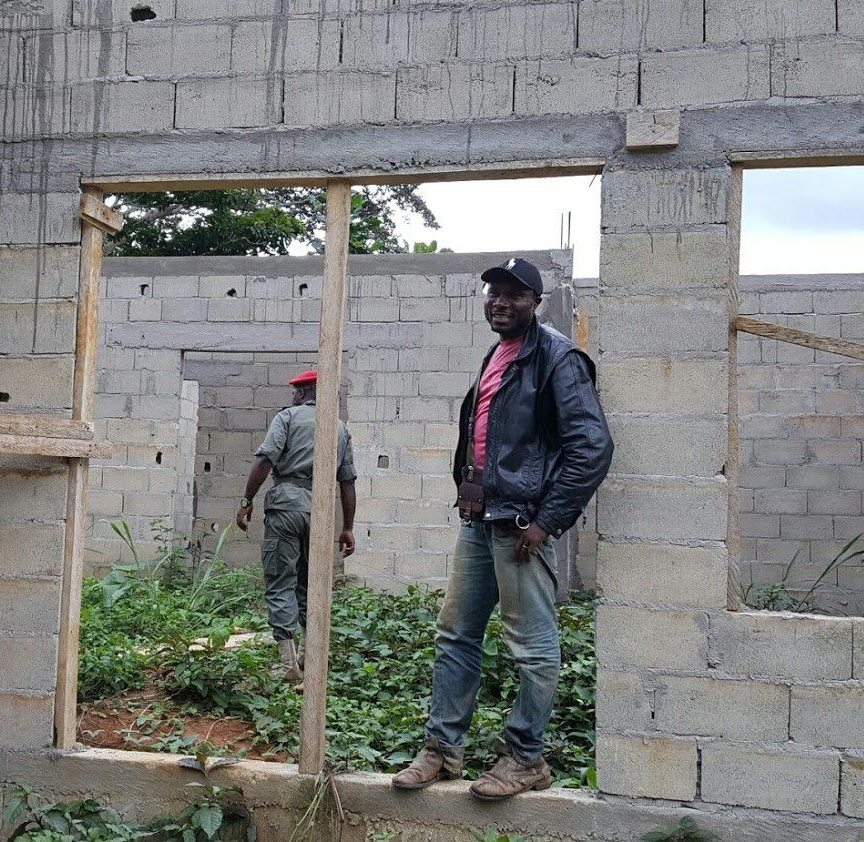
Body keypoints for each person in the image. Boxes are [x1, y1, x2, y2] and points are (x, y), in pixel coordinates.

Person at [391, 256, 614, 800]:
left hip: (520, 526)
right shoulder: (499, 353)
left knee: (532, 648)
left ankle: (526, 758)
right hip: (480, 519)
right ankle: (442, 751)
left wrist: (547, 521)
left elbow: (591, 446)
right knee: (455, 634)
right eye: (494, 292)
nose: (501, 302)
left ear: (535, 302)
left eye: (514, 294)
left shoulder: (558, 358)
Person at [235, 369, 357, 683]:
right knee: (310, 584)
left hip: (287, 507)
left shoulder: (287, 417)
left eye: (295, 392)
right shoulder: (340, 427)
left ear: (302, 393)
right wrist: (348, 527)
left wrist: (247, 500)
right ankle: (308, 656)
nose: (293, 397)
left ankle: (287, 663)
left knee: (280, 581)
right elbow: (347, 482)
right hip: (321, 512)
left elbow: (265, 461)